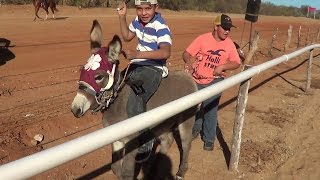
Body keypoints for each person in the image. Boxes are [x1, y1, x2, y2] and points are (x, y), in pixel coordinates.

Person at [116, 0, 172, 162]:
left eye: (148, 8)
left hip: (153, 68)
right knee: (116, 86)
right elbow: (127, 37)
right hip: (137, 64)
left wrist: (137, 55)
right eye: (139, 9)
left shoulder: (160, 26)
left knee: (135, 99)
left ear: (156, 8)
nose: (144, 13)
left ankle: (147, 141)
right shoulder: (137, 21)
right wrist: (122, 17)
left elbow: (165, 52)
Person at [182, 14, 241, 151]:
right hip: (197, 78)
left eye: (229, 29)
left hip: (215, 80)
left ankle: (209, 138)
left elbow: (236, 62)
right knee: (193, 106)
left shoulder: (229, 44)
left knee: (210, 107)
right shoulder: (202, 39)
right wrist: (189, 60)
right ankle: (195, 129)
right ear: (216, 26)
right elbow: (186, 53)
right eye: (224, 28)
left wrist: (222, 67)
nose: (227, 31)